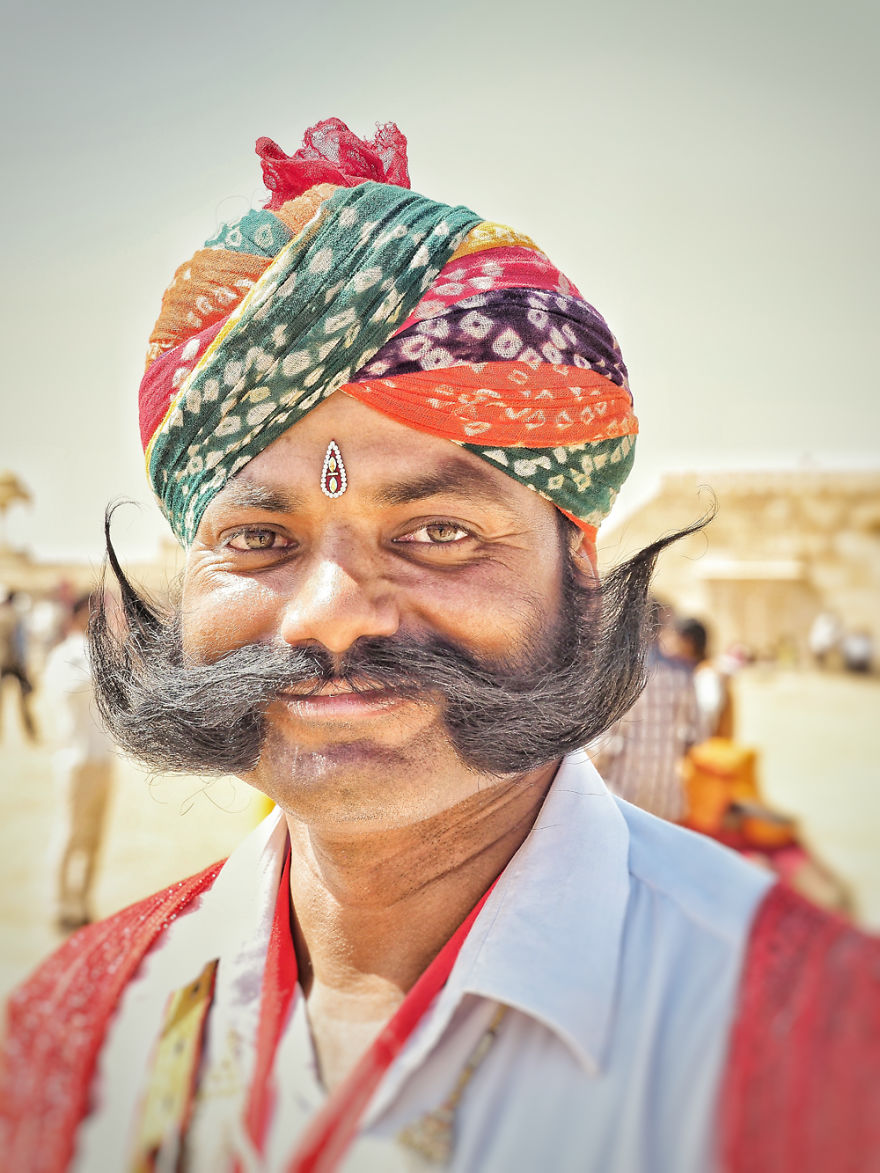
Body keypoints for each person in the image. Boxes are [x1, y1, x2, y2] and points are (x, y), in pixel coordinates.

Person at [2, 118, 877, 1173]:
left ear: (582, 574)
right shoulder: (83, 1030)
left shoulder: (819, 1050)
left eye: (439, 534)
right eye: (256, 539)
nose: (328, 612)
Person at [43, 592, 116, 930]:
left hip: (102, 760)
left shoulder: (100, 655)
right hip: (76, 760)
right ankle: (61, 904)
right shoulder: (66, 655)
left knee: (94, 837)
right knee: (70, 833)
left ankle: (83, 902)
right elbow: (73, 689)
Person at [589, 600, 700, 821]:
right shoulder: (683, 673)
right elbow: (692, 735)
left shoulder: (621, 673)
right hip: (666, 795)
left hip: (623, 793)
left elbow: (606, 744)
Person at [0, 589, 38, 743]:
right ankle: (31, 732)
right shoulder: (16, 617)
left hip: (2, 662)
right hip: (15, 663)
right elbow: (20, 643)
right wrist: (25, 664)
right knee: (25, 701)